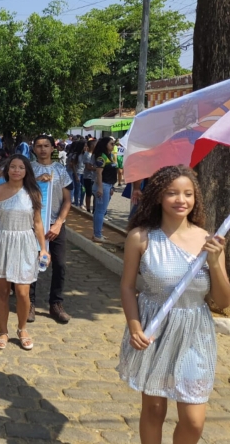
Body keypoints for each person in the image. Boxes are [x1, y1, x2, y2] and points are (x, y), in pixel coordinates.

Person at [118, 166, 230, 444]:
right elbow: (127, 286)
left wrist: (215, 262)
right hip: (153, 330)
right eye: (172, 193)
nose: (182, 200)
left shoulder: (209, 240)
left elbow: (223, 300)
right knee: (154, 410)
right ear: (158, 197)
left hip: (194, 333)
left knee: (193, 422)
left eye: (188, 194)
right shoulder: (140, 238)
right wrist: (134, 327)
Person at [0, 155, 47, 351]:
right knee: (3, 291)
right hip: (3, 241)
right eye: (12, 166)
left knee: (23, 292)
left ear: (26, 171)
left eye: (20, 167)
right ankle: (3, 331)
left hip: (25, 243)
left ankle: (22, 329)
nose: (16, 170)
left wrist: (43, 249)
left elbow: (37, 223)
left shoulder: (33, 192)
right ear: (7, 170)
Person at [30, 135, 73, 324]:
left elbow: (67, 200)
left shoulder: (60, 170)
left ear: (52, 148)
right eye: (38, 146)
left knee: (60, 265)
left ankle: (56, 303)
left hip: (55, 224)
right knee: (31, 263)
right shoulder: (28, 169)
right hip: (32, 225)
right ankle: (29, 302)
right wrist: (37, 182)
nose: (42, 149)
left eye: (46, 145)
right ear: (33, 149)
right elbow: (21, 192)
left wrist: (59, 223)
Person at [92, 136, 118, 243]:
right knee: (100, 211)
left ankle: (98, 233)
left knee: (100, 211)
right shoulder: (101, 157)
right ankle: (97, 235)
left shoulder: (108, 156)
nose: (113, 145)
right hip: (103, 186)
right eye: (111, 143)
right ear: (105, 144)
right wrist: (101, 188)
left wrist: (111, 187)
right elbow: (99, 173)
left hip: (107, 185)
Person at [68, 140, 86, 208]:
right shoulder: (75, 155)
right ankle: (76, 203)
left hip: (84, 174)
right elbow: (72, 166)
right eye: (84, 146)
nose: (86, 147)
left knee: (83, 188)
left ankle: (81, 202)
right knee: (77, 188)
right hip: (77, 173)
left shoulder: (85, 154)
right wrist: (76, 175)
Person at [82, 138, 96, 213]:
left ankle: (94, 209)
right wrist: (97, 169)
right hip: (88, 177)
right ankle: (88, 209)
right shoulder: (87, 154)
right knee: (89, 193)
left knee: (95, 194)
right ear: (92, 145)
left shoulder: (94, 154)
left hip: (94, 177)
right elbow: (88, 167)